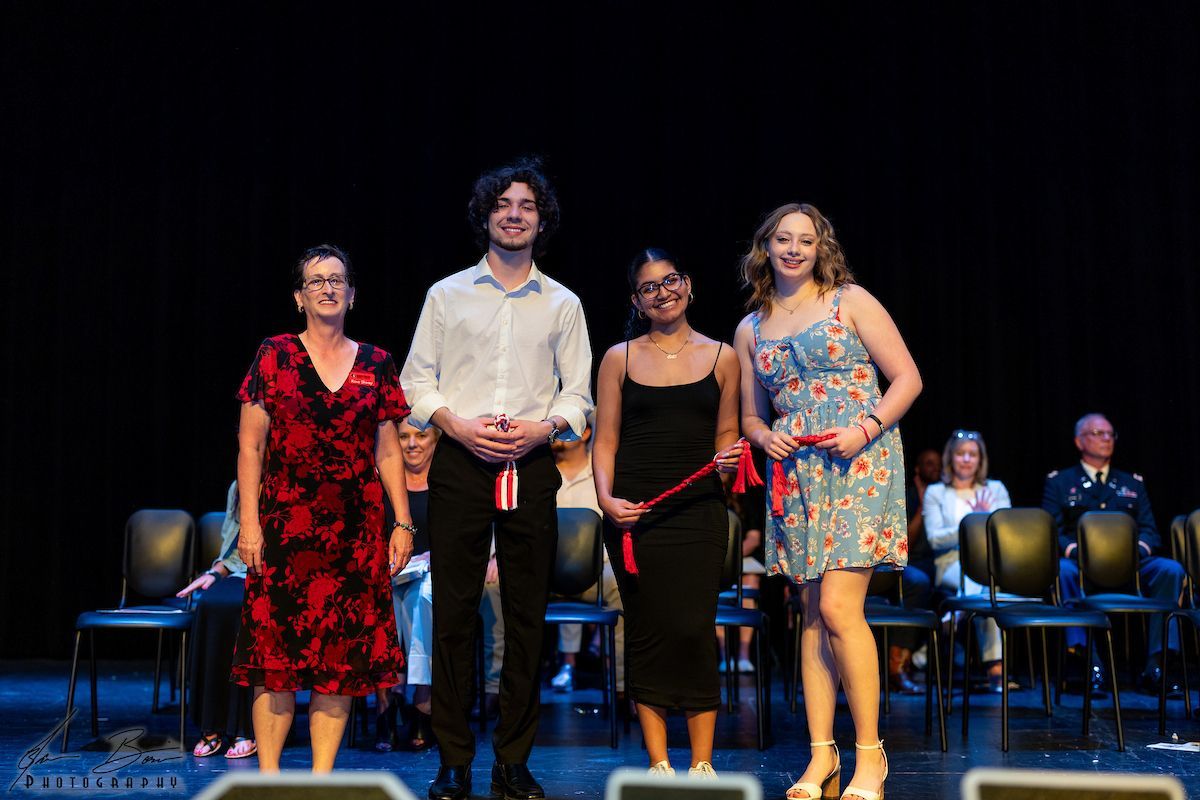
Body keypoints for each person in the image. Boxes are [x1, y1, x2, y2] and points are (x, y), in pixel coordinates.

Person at [401, 158, 593, 800]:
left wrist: (544, 429)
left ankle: (513, 760)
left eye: (527, 206)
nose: (515, 214)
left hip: (532, 468)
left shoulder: (563, 303)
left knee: (525, 618)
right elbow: (415, 382)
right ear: (486, 215)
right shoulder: (446, 294)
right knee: (453, 616)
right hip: (460, 465)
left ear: (542, 222)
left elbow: (579, 396)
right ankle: (453, 759)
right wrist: (454, 425)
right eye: (504, 204)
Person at [734, 203, 921, 800]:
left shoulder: (851, 300)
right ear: (765, 246)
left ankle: (871, 755)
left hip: (860, 457)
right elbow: (750, 415)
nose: (793, 249)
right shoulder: (750, 328)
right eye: (783, 239)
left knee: (840, 608)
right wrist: (764, 436)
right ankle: (822, 758)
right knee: (812, 614)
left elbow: (909, 379)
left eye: (805, 240)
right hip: (797, 472)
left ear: (821, 248)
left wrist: (864, 428)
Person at [232, 244, 415, 773]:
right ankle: (267, 780)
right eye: (316, 281)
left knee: (340, 662)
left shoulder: (377, 363)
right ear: (299, 297)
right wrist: (249, 524)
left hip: (355, 534)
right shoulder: (274, 355)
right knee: (276, 661)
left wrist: (401, 522)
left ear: (352, 295)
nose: (328, 288)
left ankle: (320, 780)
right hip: (284, 530)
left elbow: (388, 450)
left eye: (337, 280)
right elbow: (250, 447)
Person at [593, 248, 742, 780]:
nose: (663, 292)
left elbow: (727, 432)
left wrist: (726, 466)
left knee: (694, 628)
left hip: (698, 510)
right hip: (636, 515)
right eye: (649, 286)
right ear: (637, 300)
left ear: (689, 284)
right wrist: (606, 501)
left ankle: (702, 761)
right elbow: (605, 440)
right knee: (649, 628)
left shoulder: (724, 356)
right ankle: (658, 761)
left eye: (670, 280)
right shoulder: (619, 358)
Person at [1042, 413, 1184, 695]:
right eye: (1098, 433)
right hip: (1080, 566)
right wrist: (1074, 551)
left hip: (1129, 567)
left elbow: (1149, 530)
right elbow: (1051, 529)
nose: (1106, 439)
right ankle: (1088, 663)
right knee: (1062, 571)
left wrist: (1135, 553)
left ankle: (1157, 665)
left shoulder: (1131, 483)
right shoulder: (1060, 482)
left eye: (1110, 434)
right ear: (1079, 441)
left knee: (1170, 570)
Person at [922, 430, 1012, 692]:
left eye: (972, 454)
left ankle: (957, 613)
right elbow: (935, 540)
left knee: (988, 586)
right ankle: (995, 667)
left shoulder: (995, 489)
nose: (966, 460)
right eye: (961, 454)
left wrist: (987, 519)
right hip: (951, 564)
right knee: (987, 589)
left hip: (991, 564)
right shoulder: (936, 492)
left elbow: (1007, 534)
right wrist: (973, 521)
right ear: (951, 458)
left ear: (980, 459)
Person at [175, 480, 256, 760]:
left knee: (243, 609)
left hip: (279, 575)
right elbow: (231, 548)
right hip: (241, 573)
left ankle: (247, 727)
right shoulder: (239, 486)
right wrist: (215, 573)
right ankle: (212, 724)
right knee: (212, 604)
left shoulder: (286, 478)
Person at [375, 421, 440, 752]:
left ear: (435, 439)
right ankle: (387, 702)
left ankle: (421, 699)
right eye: (404, 436)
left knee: (424, 597)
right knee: (381, 600)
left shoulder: (446, 481)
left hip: (432, 570)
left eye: (421, 435)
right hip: (388, 568)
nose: (412, 444)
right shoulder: (382, 480)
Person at [547, 423, 625, 697]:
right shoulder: (542, 472)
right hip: (544, 571)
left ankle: (620, 683)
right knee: (498, 585)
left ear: (587, 431)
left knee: (619, 584)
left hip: (596, 571)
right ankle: (498, 691)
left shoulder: (602, 474)